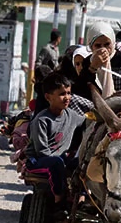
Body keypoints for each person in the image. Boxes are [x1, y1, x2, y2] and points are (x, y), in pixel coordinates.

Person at [25, 72, 86, 207]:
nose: (67, 98)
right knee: (57, 163)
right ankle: (59, 198)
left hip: (60, 159)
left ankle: (81, 197)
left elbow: (88, 122)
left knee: (82, 163)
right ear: (48, 97)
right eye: (62, 94)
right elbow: (42, 151)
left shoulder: (72, 115)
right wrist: (63, 165)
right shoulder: (42, 120)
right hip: (38, 161)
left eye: (69, 93)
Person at [72, 22, 121, 100]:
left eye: (107, 44)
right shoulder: (87, 62)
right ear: (91, 46)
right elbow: (80, 88)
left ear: (113, 43)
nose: (103, 49)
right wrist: (93, 67)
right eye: (98, 45)